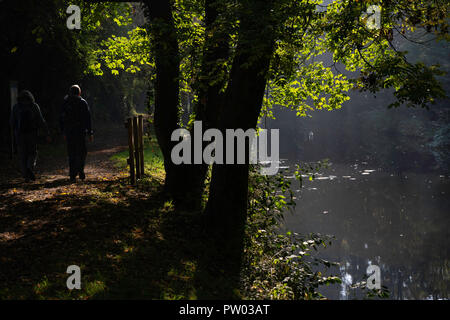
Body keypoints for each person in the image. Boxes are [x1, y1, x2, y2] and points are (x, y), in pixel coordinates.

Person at [10, 90, 50, 182]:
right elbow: (41, 120)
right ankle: (30, 167)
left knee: (22, 155)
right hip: (32, 134)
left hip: (19, 135)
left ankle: (25, 176)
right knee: (32, 153)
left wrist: (14, 133)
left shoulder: (16, 107)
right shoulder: (34, 106)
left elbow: (12, 122)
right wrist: (47, 132)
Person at [60, 85, 93, 182]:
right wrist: (90, 132)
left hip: (70, 131)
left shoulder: (66, 102)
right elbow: (88, 118)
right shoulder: (82, 102)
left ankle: (72, 174)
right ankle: (80, 169)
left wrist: (63, 131)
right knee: (82, 152)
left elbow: (61, 118)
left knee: (71, 152)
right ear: (79, 92)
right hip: (80, 131)